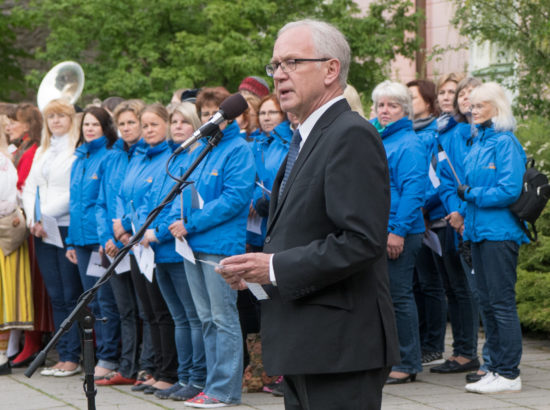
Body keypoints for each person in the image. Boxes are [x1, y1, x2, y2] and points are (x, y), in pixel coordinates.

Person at [218, 20, 399, 409]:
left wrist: (274, 268)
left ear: (331, 70)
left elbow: (362, 241)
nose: (279, 75)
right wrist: (257, 274)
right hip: (307, 341)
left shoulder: (350, 134)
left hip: (340, 346)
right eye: (275, 65)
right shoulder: (306, 136)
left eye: (292, 62)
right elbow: (298, 233)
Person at [167, 87, 256, 408]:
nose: (209, 119)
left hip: (219, 245)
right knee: (205, 319)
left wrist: (191, 223)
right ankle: (210, 385)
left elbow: (234, 199)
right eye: (204, 114)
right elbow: (187, 192)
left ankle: (224, 390)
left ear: (229, 116)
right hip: (192, 244)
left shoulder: (239, 150)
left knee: (223, 318)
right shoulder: (201, 149)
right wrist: (181, 222)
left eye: (215, 113)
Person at [137, 101, 207, 402]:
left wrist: (158, 231)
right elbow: (154, 202)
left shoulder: (194, 158)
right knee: (179, 317)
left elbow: (182, 207)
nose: (178, 126)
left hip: (176, 249)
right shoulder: (173, 158)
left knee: (192, 317)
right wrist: (141, 227)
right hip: (157, 250)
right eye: (175, 121)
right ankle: (184, 376)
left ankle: (197, 378)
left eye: (184, 122)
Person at [460, 82, 526, 394]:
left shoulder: (505, 142)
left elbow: (509, 189)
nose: (472, 110)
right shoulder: (479, 142)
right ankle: (496, 368)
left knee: (500, 303)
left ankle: (509, 372)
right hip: (479, 231)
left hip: (499, 232)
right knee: (486, 302)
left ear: (496, 108)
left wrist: (472, 194)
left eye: (478, 106)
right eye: (471, 105)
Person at [113, 103, 178, 394]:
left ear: (165, 126)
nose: (149, 130)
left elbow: (158, 201)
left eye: (154, 125)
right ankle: (153, 369)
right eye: (146, 125)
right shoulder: (139, 156)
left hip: (154, 241)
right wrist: (123, 226)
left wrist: (139, 230)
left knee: (163, 311)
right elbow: (128, 197)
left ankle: (169, 371)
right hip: (137, 242)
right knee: (148, 311)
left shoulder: (169, 156)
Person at [371, 80, 426, 385]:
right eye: (381, 105)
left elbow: (413, 192)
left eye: (392, 105)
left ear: (405, 109)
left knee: (399, 297)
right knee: (386, 297)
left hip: (399, 231)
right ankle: (392, 357)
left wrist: (398, 231)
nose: (385, 111)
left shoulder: (409, 143)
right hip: (379, 229)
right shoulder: (379, 137)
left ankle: (407, 362)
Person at [22, 98, 83, 377]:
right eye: (51, 117)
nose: (56, 121)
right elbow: (30, 185)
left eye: (61, 116)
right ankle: (63, 354)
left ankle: (74, 356)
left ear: (71, 119)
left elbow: (74, 191)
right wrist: (32, 218)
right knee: (56, 295)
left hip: (66, 226)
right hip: (41, 229)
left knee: (72, 293)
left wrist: (44, 214)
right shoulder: (43, 150)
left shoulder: (76, 150)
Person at [95, 99, 149, 386]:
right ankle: (127, 367)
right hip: (114, 243)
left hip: (137, 240)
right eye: (122, 123)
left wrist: (126, 233)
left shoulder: (146, 156)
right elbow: (102, 202)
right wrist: (108, 236)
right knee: (125, 309)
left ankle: (146, 367)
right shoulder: (112, 158)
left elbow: (140, 199)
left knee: (147, 309)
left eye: (132, 122)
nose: (127, 128)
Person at [65, 106, 121, 380]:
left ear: (104, 127)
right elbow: (74, 204)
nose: (89, 129)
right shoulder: (79, 158)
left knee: (105, 301)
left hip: (99, 242)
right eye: (85, 124)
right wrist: (70, 241)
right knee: (90, 303)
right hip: (80, 242)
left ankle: (109, 356)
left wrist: (103, 238)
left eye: (94, 124)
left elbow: (103, 201)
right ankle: (99, 354)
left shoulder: (108, 157)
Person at [6, 103, 54, 369]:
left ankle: (33, 344)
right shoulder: (21, 149)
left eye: (15, 121)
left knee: (33, 287)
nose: (10, 125)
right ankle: (26, 343)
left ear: (28, 125)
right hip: (22, 224)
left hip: (28, 224)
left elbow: (22, 185)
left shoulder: (31, 151)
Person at [406, 79, 447, 367]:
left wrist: (423, 206)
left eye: (413, 98)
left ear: (428, 102)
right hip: (414, 216)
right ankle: (420, 341)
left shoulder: (434, 133)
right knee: (417, 283)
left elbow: (437, 177)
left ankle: (434, 344)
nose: (408, 103)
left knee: (432, 283)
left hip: (432, 216)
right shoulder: (409, 132)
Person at [0, 113, 33, 375]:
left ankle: (8, 350)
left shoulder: (10, 156)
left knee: (10, 290)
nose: (10, 128)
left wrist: (17, 208)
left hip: (9, 231)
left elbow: (20, 190)